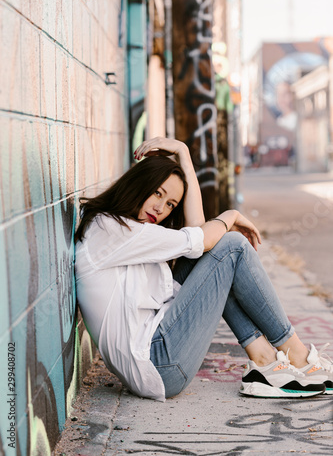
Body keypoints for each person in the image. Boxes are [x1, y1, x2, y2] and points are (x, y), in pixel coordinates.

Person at [74, 137, 332, 401]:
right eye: (157, 193)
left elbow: (199, 235)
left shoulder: (126, 228)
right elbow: (203, 237)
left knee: (215, 251)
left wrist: (184, 155)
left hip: (154, 353)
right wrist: (230, 215)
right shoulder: (111, 229)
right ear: (139, 184)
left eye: (171, 204)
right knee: (232, 247)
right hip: (158, 364)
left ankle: (265, 361)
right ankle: (298, 357)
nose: (160, 208)